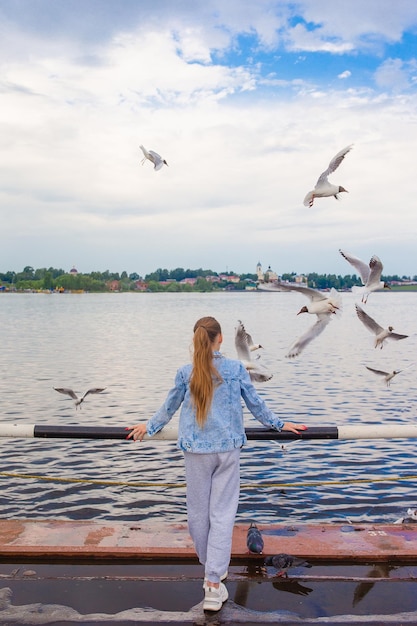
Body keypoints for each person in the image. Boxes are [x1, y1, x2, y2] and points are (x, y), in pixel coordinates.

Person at [127, 316, 307, 612]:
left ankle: (210, 569)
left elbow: (169, 408)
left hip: (196, 451)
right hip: (227, 450)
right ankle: (213, 581)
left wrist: (148, 426)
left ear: (197, 339)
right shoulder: (235, 369)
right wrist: (279, 424)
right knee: (222, 514)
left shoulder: (186, 372)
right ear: (220, 338)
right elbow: (255, 403)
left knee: (198, 513)